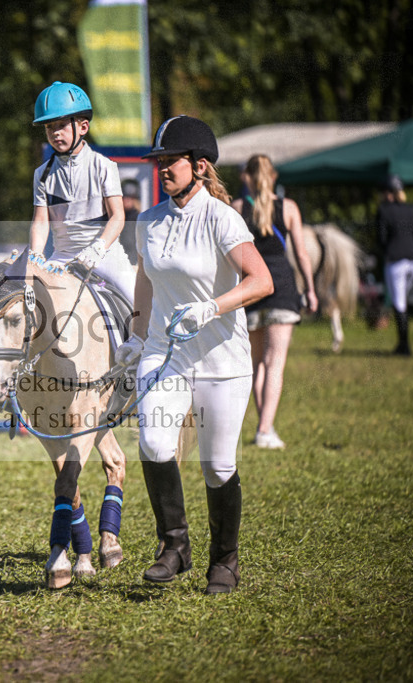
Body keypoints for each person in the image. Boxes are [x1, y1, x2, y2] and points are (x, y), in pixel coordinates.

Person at [114, 116, 273, 594]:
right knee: (154, 444)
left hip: (222, 358)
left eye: (170, 161)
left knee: (218, 467)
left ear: (199, 166)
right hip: (165, 353)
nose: (161, 168)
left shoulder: (222, 218)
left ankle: (224, 561)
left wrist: (211, 308)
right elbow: (145, 279)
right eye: (158, 161)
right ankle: (174, 546)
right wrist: (137, 335)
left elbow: (260, 281)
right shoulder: (149, 220)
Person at [231, 154, 318, 450]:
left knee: (257, 365)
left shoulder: (239, 208)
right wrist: (311, 288)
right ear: (273, 176)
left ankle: (263, 426)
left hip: (251, 288)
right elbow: (302, 254)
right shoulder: (289, 207)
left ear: (247, 178)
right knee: (275, 364)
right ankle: (265, 429)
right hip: (282, 286)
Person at [28, 81, 135, 303]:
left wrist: (98, 248)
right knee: (27, 300)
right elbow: (40, 222)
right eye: (49, 127)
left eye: (61, 125)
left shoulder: (104, 166)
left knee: (138, 302)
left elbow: (117, 217)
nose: (55, 133)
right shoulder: (42, 174)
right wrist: (36, 254)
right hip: (61, 257)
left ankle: (147, 338)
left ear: (83, 127)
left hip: (104, 255)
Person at [376, 174, 413, 356]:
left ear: (389, 193)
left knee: (399, 303)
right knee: (403, 300)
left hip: (395, 262)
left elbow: (381, 238)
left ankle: (404, 345)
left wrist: (385, 252)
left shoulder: (384, 210)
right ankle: (403, 344)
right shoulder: (411, 209)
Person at [119, 178, 142, 266]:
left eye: (130, 197)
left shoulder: (138, 218)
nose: (126, 200)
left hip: (134, 263)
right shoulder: (117, 217)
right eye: (124, 197)